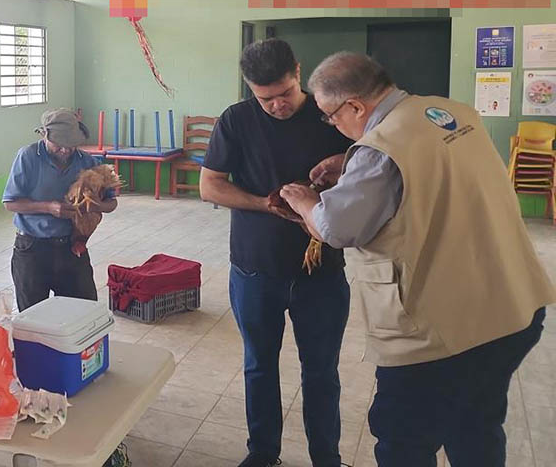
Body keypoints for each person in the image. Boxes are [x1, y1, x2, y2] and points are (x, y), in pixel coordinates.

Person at [281, 52, 556, 467]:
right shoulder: (451, 112)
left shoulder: (379, 150)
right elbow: (427, 172)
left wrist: (304, 201)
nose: (332, 125)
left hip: (445, 335)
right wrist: (353, 166)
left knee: (403, 439)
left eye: (331, 116)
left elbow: (336, 228)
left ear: (355, 106)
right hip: (514, 307)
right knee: (475, 424)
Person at [198, 39, 353, 467]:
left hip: (321, 272)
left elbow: (373, 168)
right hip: (255, 269)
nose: (277, 105)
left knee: (321, 371)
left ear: (298, 72)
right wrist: (263, 204)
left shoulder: (330, 116)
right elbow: (210, 185)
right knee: (259, 365)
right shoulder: (236, 119)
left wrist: (345, 162)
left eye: (284, 93)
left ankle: (327, 457)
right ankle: (263, 453)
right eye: (265, 98)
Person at [2, 109, 118, 311]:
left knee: (83, 311)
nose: (65, 150)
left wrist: (94, 206)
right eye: (59, 144)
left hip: (72, 247)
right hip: (32, 249)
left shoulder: (87, 161)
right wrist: (49, 208)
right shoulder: (28, 157)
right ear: (44, 135)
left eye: (71, 145)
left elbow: (111, 203)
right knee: (34, 315)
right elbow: (10, 202)